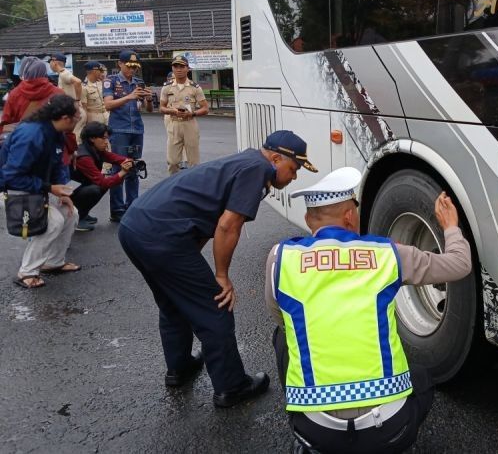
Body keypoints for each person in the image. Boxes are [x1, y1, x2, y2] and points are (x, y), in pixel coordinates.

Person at [265, 167, 472, 454]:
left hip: (315, 432)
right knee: (422, 378)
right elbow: (459, 265)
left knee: (283, 335)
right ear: (350, 216)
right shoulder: (388, 254)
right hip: (389, 431)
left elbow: (281, 318)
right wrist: (450, 225)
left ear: (308, 219)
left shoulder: (280, 258)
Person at [117, 130, 317, 407]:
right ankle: (232, 387)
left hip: (135, 227)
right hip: (161, 235)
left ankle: (180, 368)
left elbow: (204, 223)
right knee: (216, 308)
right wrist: (221, 276)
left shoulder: (245, 162)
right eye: (293, 169)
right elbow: (227, 225)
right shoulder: (257, 170)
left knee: (173, 302)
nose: (293, 177)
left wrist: (188, 263)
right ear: (275, 158)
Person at [0, 95, 82, 289]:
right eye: (77, 116)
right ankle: (26, 272)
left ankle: (53, 263)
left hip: (35, 185)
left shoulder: (56, 132)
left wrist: (61, 194)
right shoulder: (31, 135)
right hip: (13, 187)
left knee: (70, 214)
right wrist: (50, 188)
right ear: (64, 118)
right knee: (53, 222)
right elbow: (12, 176)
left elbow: (56, 165)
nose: (79, 119)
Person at [103, 50, 152, 222]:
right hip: (119, 130)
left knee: (134, 168)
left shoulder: (139, 82)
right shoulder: (111, 80)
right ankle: (117, 209)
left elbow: (148, 110)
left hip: (137, 130)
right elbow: (108, 104)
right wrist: (130, 96)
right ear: (120, 64)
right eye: (129, 66)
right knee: (119, 169)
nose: (132, 70)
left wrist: (150, 99)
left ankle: (132, 206)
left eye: (135, 67)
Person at [70, 122, 134, 232]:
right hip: (66, 194)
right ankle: (76, 219)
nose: (106, 142)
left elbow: (114, 157)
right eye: (103, 138)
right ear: (92, 138)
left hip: (77, 188)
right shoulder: (84, 157)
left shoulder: (95, 150)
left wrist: (129, 161)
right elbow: (103, 183)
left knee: (101, 185)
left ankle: (83, 213)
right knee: (96, 188)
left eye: (107, 139)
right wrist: (122, 172)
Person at [159, 55, 209, 174]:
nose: (179, 69)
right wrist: (172, 111)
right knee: (172, 161)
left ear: (188, 68)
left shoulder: (195, 88)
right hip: (174, 124)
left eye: (182, 66)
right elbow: (161, 107)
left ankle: (193, 188)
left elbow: (205, 108)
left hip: (189, 124)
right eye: (176, 66)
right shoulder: (167, 87)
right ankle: (174, 187)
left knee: (193, 162)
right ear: (172, 68)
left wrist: (193, 113)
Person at [1, 58, 61, 141]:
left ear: (24, 72)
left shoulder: (14, 94)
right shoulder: (58, 93)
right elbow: (66, 122)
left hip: (22, 142)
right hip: (51, 143)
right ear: (44, 72)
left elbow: (6, 122)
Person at [80, 61, 108, 132]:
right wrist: (87, 123)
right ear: (94, 71)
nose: (101, 73)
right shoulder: (84, 87)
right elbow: (84, 108)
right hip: (94, 118)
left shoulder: (101, 83)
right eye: (99, 70)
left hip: (106, 115)